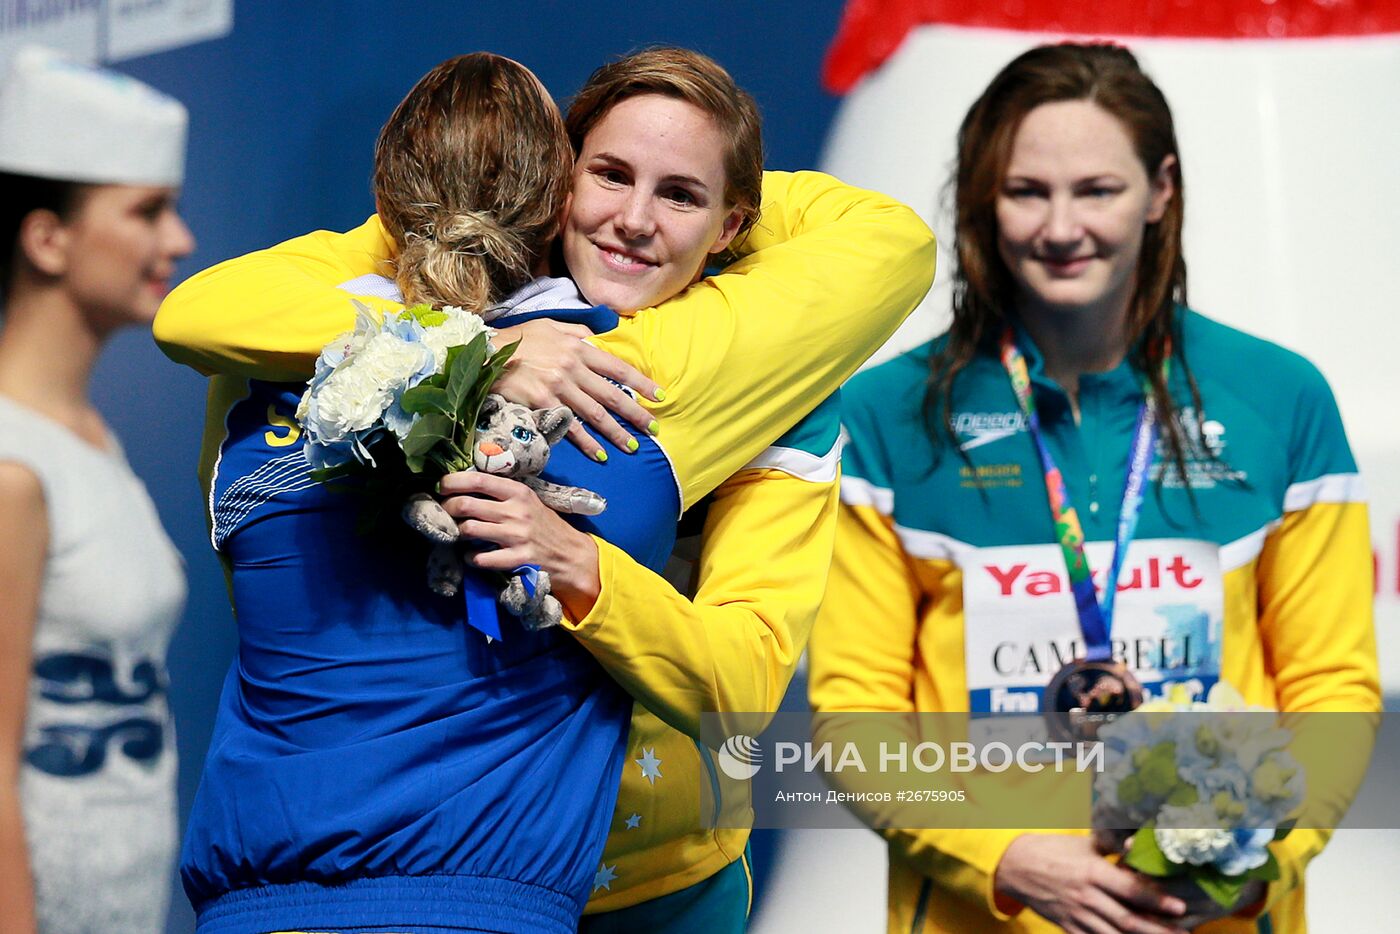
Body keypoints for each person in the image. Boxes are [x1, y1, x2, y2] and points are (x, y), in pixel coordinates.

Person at [155, 51, 935, 933]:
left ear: (733, 227)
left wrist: (584, 569)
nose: (633, 221)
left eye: (680, 195)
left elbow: (744, 682)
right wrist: (464, 343)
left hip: (655, 879)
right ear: (553, 178)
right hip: (487, 875)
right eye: (606, 175)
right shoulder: (374, 332)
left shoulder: (755, 367)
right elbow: (205, 307)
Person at [808, 42, 1379, 934]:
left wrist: (1255, 867)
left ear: (1160, 191)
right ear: (983, 201)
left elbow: (1332, 695)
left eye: (1097, 191)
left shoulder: (1279, 399)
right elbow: (856, 721)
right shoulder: (889, 416)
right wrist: (1004, 855)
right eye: (1027, 191)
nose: (1061, 226)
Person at [0, 47, 193, 932]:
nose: (178, 240)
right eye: (148, 212)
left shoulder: (88, 440)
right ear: (49, 238)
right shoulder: (12, 467)